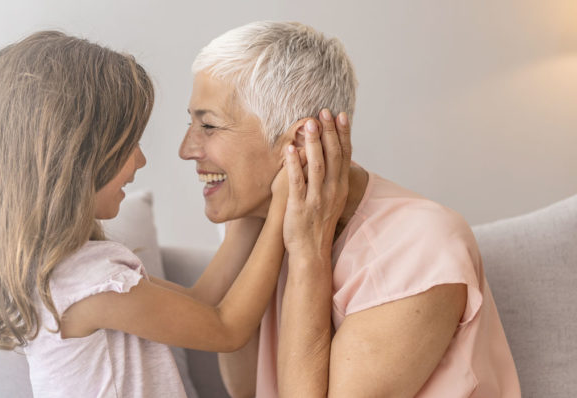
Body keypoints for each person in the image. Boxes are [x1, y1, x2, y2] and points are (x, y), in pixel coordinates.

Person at [0, 30, 350, 397]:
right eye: (128, 143)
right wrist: (284, 206)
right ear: (75, 156)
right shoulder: (90, 284)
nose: (141, 159)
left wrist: (248, 207)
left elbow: (200, 302)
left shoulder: (65, 269)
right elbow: (225, 327)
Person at [181, 21, 521, 397]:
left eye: (208, 126)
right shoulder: (259, 224)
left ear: (297, 142)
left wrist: (309, 254)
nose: (187, 149)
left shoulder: (421, 249)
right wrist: (249, 232)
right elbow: (247, 389)